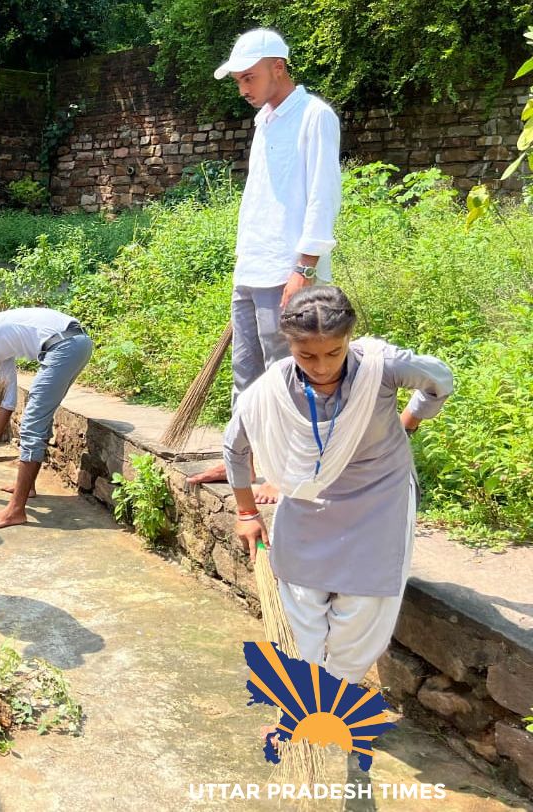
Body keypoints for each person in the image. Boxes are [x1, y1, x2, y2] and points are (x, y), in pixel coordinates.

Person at [228, 286, 452, 687]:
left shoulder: (381, 368)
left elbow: (439, 379)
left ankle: (339, 700)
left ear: (349, 338)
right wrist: (246, 513)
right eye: (306, 355)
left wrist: (411, 419)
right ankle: (300, 702)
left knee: (365, 607)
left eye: (333, 353)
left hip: (379, 501)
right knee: (299, 600)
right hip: (307, 501)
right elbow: (234, 447)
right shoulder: (272, 391)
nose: (321, 366)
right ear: (289, 343)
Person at [187, 29, 342, 501]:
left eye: (248, 78)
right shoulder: (265, 121)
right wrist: (242, 265)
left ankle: (286, 468)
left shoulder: (316, 116)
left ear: (279, 66)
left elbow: (323, 194)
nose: (243, 90)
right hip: (252, 266)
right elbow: (260, 199)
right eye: (237, 81)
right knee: (247, 373)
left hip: (287, 270)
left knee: (287, 374)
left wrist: (305, 266)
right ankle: (243, 458)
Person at [0, 308, 94, 529]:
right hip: (77, 344)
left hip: (64, 346)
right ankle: (29, 487)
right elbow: (8, 400)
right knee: (38, 420)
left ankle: (16, 510)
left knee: (31, 425)